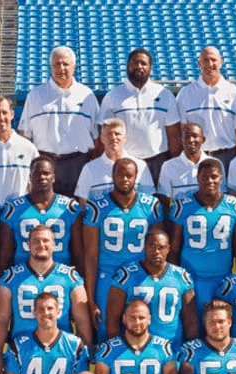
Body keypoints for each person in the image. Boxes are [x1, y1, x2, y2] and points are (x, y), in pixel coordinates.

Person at [82, 159, 164, 326]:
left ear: (136, 177)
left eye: (129, 175)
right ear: (113, 176)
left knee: (141, 327)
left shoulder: (151, 206)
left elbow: (159, 250)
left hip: (140, 276)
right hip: (108, 275)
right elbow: (91, 255)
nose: (125, 179)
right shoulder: (97, 206)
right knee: (107, 328)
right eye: (120, 175)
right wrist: (90, 300)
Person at [0, 225, 91, 358]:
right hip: (22, 350)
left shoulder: (70, 277)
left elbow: (82, 319)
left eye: (46, 241)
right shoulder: (11, 278)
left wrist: (85, 353)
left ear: (54, 244)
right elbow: (1, 319)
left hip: (61, 350)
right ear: (28, 245)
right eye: (36, 241)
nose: (41, 245)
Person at [167, 158, 236, 308]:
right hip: (189, 279)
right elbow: (174, 248)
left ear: (221, 178)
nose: (210, 181)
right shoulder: (182, 206)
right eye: (205, 176)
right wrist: (174, 280)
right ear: (198, 178)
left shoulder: (235, 207)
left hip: (223, 280)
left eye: (214, 176)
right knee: (191, 321)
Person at [19, 46, 99, 195]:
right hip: (44, 163)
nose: (61, 68)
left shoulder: (87, 95)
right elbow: (25, 134)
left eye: (65, 64)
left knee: (76, 206)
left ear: (74, 67)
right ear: (51, 67)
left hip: (77, 164)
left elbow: (97, 137)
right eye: (56, 64)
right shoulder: (35, 95)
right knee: (44, 206)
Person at [99, 48, 178, 184]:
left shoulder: (165, 95)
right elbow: (103, 133)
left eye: (143, 63)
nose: (139, 66)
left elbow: (174, 134)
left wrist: (173, 163)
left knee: (159, 197)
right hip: (125, 162)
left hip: (158, 161)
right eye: (135, 63)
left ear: (150, 67)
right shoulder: (112, 96)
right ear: (127, 66)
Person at [105, 230, 196, 345]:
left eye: (161, 247)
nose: (156, 251)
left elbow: (191, 322)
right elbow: (112, 319)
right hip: (136, 346)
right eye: (152, 246)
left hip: (171, 347)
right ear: (144, 247)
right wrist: (120, 347)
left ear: (168, 249)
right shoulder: (126, 276)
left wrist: (190, 350)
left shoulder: (181, 277)